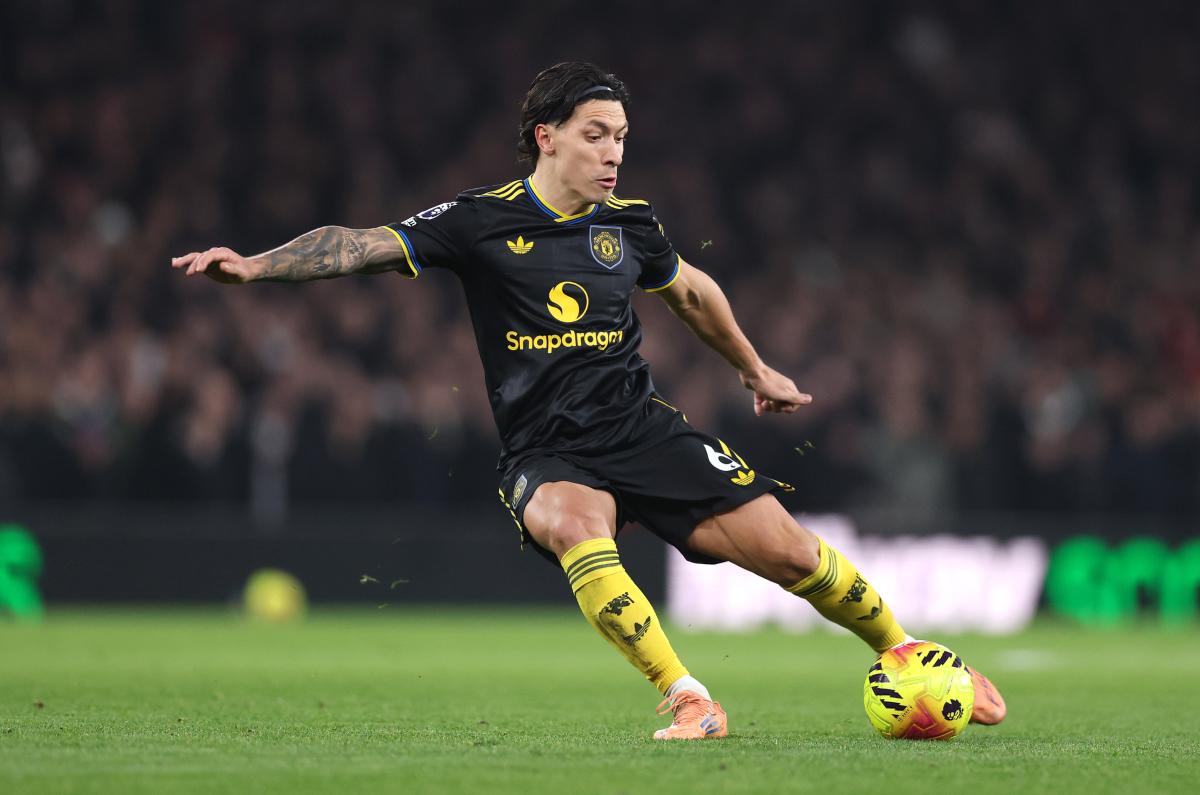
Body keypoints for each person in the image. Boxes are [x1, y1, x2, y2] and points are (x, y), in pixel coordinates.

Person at [173, 62, 1006, 739]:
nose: (614, 154)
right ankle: (688, 696)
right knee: (577, 525)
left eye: (621, 139)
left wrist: (753, 368)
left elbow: (694, 292)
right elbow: (361, 245)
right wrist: (255, 265)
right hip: (546, 450)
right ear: (548, 137)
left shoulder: (631, 226)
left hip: (641, 429)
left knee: (790, 552)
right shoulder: (479, 221)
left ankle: (911, 653)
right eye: (597, 135)